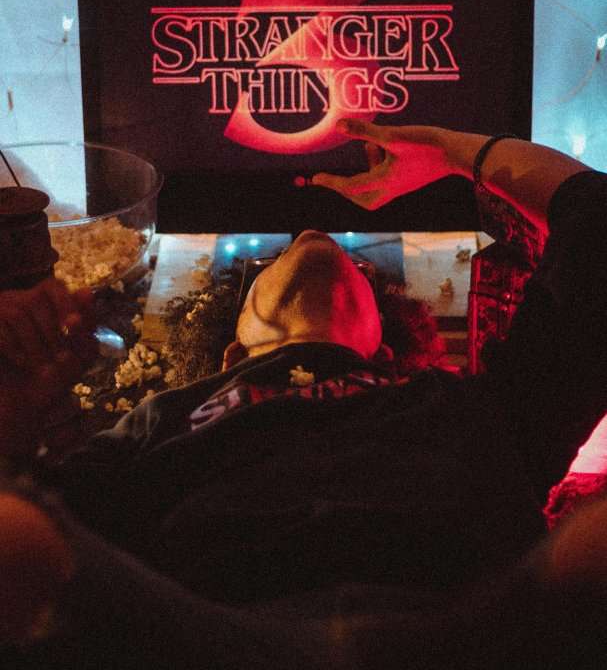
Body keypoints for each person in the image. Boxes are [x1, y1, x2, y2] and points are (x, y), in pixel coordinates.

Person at [1, 119, 607, 669]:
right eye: (277, 260)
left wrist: (449, 152)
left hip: (463, 629)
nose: (312, 237)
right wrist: (15, 412)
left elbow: (596, 220)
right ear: (232, 356)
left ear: (386, 350)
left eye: (361, 271)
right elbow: (48, 524)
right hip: (210, 634)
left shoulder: (459, 403)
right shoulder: (163, 416)